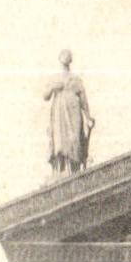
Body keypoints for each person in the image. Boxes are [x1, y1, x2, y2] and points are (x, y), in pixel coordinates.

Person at [44, 49, 95, 177]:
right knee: (60, 142)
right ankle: (61, 170)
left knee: (74, 140)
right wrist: (52, 88)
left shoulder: (76, 79)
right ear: (60, 59)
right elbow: (45, 96)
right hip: (59, 113)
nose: (66, 58)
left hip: (74, 113)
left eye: (68, 56)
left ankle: (74, 168)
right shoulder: (55, 78)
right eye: (63, 56)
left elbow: (83, 99)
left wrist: (88, 116)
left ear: (70, 60)